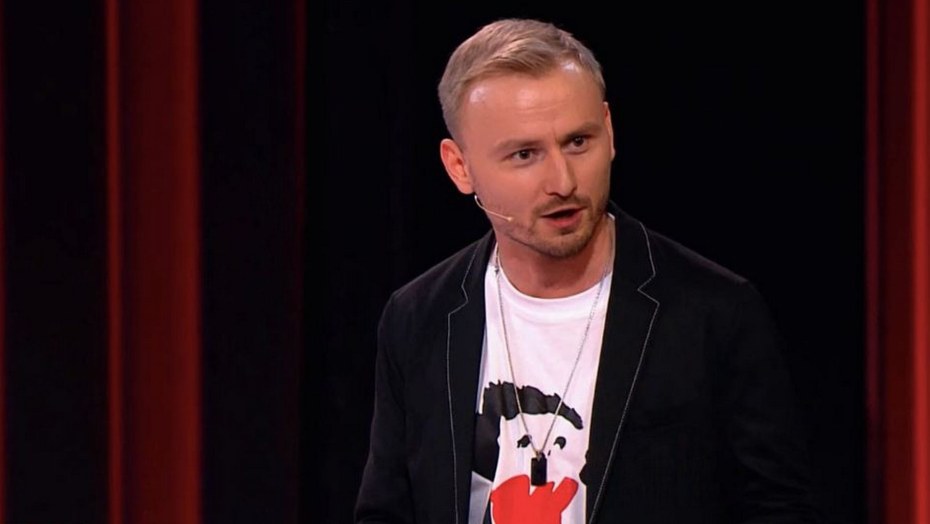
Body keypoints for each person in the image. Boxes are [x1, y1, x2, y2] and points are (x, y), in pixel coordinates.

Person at [356, 18, 819, 523]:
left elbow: (780, 509)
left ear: (609, 130)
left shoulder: (713, 312)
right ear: (459, 167)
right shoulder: (419, 317)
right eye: (525, 154)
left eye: (578, 142)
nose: (563, 181)